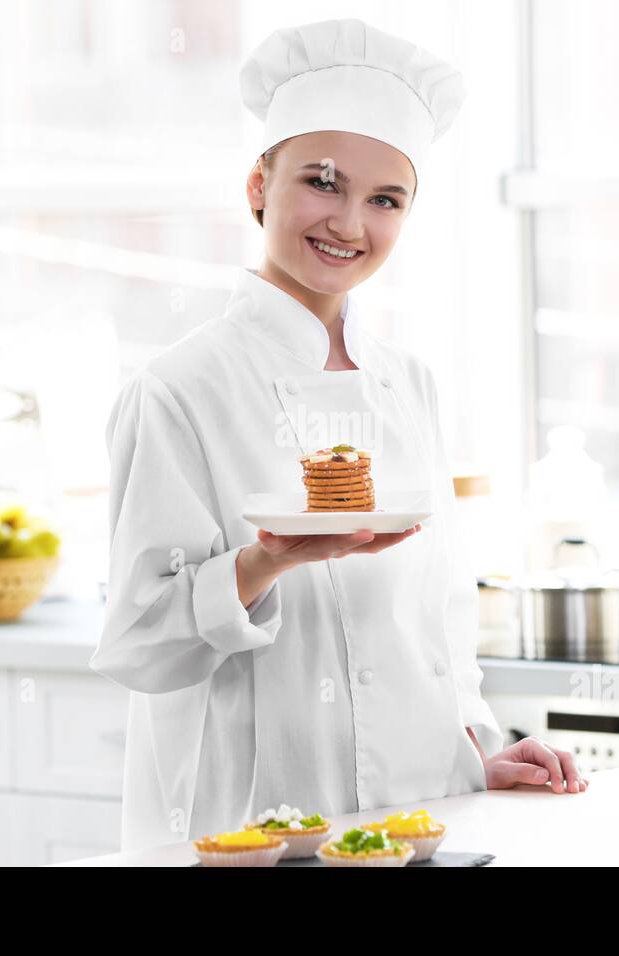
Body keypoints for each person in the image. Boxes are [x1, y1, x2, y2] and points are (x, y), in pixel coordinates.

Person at [91, 18, 586, 852]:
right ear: (258, 185)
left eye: (386, 199)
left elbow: (439, 628)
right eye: (323, 183)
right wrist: (267, 561)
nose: (350, 223)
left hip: (415, 823)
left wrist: (476, 751)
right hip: (249, 825)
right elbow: (139, 644)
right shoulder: (178, 390)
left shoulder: (408, 384)